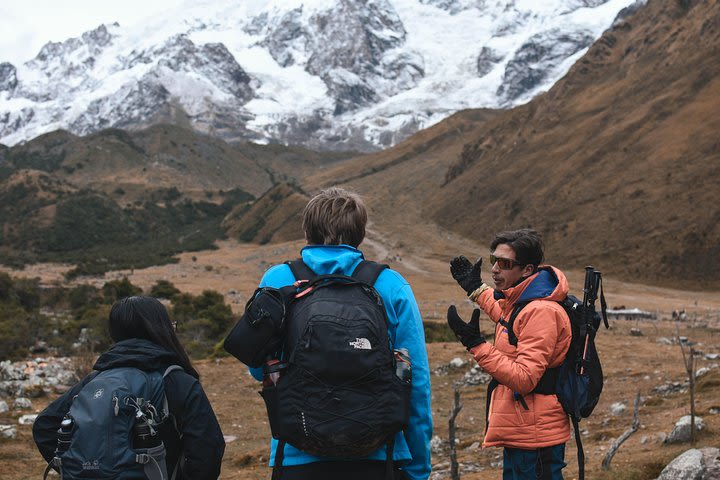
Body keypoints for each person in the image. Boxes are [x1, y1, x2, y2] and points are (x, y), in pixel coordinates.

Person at [246, 186, 432, 480]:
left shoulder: (278, 279)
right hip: (379, 456)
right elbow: (415, 381)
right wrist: (418, 468)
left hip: (297, 453)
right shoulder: (391, 284)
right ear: (360, 233)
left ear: (307, 230)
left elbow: (259, 370)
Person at [33, 296, 225, 480]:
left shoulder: (95, 379)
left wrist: (77, 469)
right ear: (161, 329)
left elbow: (45, 426)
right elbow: (208, 448)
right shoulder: (177, 380)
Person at [446, 229, 571, 479]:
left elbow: (525, 379)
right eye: (494, 261)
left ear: (527, 269)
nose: (494, 269)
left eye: (504, 264)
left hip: (535, 437)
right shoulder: (524, 300)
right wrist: (475, 289)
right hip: (524, 429)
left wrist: (477, 345)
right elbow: (508, 319)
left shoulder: (541, 311)